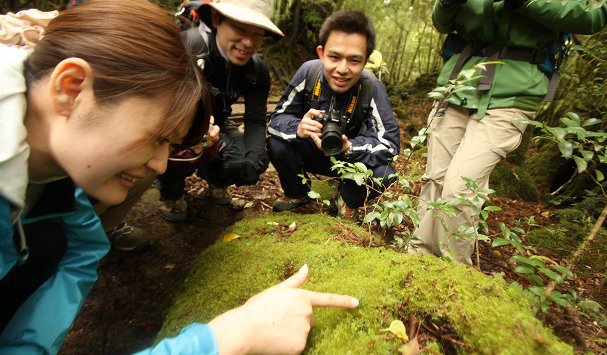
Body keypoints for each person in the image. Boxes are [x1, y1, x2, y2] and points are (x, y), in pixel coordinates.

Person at [0, 1, 358, 353]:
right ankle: (173, 191)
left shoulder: (60, 191)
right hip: (200, 131)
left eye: (257, 34)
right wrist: (232, 337)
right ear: (71, 88)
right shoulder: (183, 52)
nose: (158, 163)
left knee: (54, 242)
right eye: (155, 137)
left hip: (212, 133)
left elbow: (79, 252)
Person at [410, 0, 607, 265]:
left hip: (514, 94)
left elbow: (592, 15)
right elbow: (441, 21)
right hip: (457, 85)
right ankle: (418, 260)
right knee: (435, 179)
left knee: (460, 187)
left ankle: (454, 273)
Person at [157, 0, 282, 222]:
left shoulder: (257, 70)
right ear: (216, 20)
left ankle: (216, 182)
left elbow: (255, 118)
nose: (248, 42)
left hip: (219, 125)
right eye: (240, 29)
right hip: (177, 126)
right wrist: (194, 138)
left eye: (258, 34)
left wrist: (255, 157)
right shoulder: (188, 48)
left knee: (246, 160)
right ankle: (171, 193)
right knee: (178, 157)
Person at [267, 10, 400, 220]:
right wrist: (298, 129)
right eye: (334, 57)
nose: (342, 69)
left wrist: (350, 148)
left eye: (354, 60)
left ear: (365, 61)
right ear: (321, 53)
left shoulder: (371, 87)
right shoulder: (308, 73)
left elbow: (390, 144)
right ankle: (297, 193)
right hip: (311, 150)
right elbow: (276, 121)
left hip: (349, 159)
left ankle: (346, 199)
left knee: (386, 173)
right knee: (276, 143)